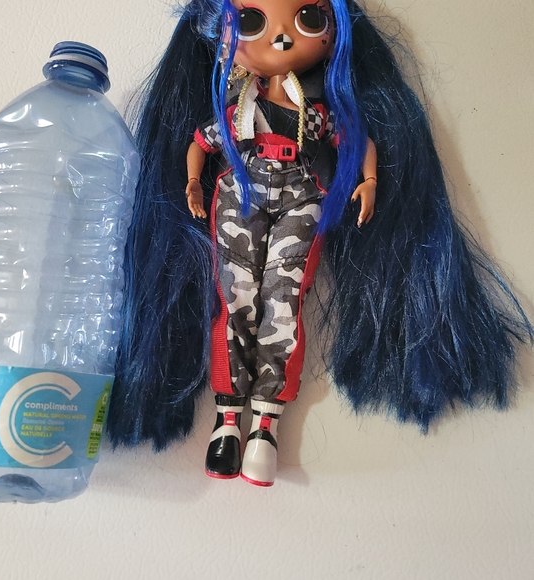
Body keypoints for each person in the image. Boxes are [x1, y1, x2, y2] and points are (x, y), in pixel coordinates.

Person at [107, 0, 532, 486]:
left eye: (308, 18)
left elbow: (356, 142)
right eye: (250, 21)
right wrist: (191, 184)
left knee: (283, 301)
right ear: (219, 37)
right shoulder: (236, 112)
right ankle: (227, 422)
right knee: (237, 297)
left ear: (335, 34)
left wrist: (368, 180)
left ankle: (264, 426)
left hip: (301, 198)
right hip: (239, 195)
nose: (281, 36)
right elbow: (200, 145)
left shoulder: (316, 116)